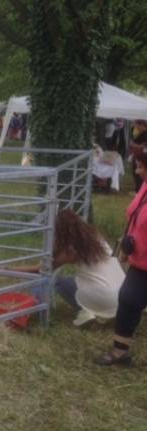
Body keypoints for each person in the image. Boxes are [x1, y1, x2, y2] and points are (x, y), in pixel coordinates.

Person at [12, 209, 125, 326]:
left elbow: (41, 269)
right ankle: (106, 312)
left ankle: (87, 312)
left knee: (59, 282)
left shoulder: (70, 251)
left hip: (105, 297)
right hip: (123, 294)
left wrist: (8, 270)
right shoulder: (96, 236)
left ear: (60, 232)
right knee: (77, 279)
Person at [96, 150, 147, 366]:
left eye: (141, 166)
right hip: (141, 261)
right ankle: (120, 351)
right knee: (128, 299)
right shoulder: (145, 187)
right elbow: (136, 216)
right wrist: (129, 242)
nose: (136, 171)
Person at [129, 119, 147, 192]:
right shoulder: (139, 133)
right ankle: (138, 191)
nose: (135, 127)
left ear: (141, 125)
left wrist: (134, 145)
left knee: (140, 176)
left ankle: (141, 191)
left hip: (143, 158)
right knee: (136, 174)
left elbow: (144, 146)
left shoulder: (145, 134)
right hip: (137, 157)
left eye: (136, 125)